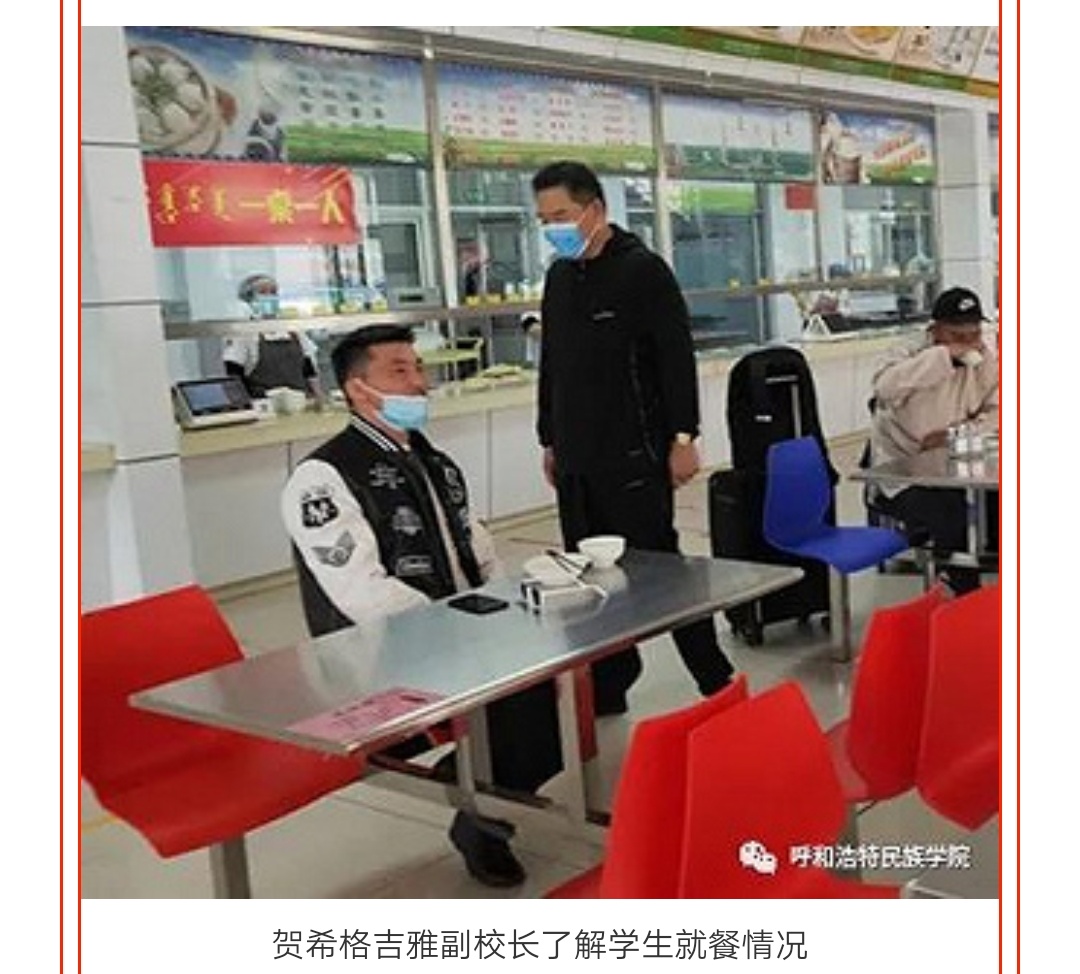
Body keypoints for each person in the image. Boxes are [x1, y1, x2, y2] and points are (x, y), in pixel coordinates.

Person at [281, 324, 562, 888]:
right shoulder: (322, 478)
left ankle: (479, 790)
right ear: (358, 389)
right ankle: (480, 815)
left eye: (419, 368)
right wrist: (459, 633)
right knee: (520, 704)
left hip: (458, 631)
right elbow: (362, 592)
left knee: (549, 679)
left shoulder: (434, 461)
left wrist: (505, 611)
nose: (418, 383)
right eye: (399, 371)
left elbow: (478, 551)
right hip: (382, 650)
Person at [531, 160, 735, 716]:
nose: (553, 228)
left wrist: (683, 436)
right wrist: (549, 438)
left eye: (562, 215)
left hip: (633, 453)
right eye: (544, 219)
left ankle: (715, 679)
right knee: (586, 574)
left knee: (662, 571)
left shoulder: (642, 271)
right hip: (575, 455)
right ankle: (611, 681)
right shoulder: (559, 277)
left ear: (595, 209)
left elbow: (675, 360)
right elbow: (553, 366)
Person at [869, 286, 999, 593]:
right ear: (936, 329)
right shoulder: (907, 353)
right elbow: (884, 388)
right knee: (951, 515)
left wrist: (959, 432)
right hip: (905, 474)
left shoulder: (984, 357)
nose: (969, 343)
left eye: (974, 334)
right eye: (958, 336)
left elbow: (997, 408)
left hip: (958, 464)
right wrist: (943, 357)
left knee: (1000, 507)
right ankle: (961, 594)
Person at [224, 273, 324, 401]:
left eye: (273, 292)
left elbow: (309, 367)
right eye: (263, 292)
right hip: (263, 405)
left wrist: (319, 396)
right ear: (249, 299)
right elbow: (234, 371)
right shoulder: (246, 331)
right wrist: (242, 404)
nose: (270, 297)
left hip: (300, 402)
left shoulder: (292, 328)